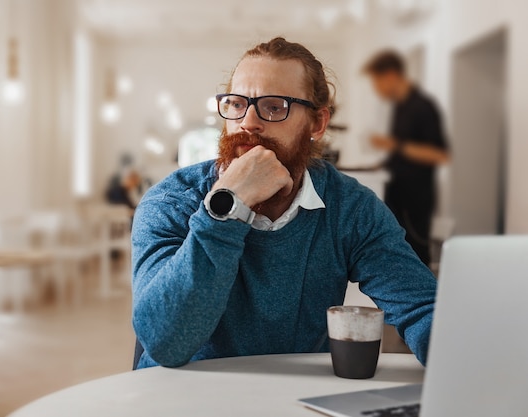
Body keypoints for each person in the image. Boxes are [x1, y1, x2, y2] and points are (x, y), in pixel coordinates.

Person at [131, 38, 437, 370]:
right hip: (180, 400)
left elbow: (421, 309)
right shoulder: (172, 201)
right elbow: (164, 343)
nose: (247, 122)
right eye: (236, 104)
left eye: (274, 107)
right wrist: (228, 206)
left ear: (317, 124)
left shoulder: (351, 208)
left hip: (293, 400)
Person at [363, 50, 450, 266]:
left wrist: (394, 145)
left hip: (416, 200)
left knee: (416, 255)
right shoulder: (400, 108)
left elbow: (440, 154)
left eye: (377, 82)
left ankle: (425, 299)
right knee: (397, 253)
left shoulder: (423, 106)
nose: (376, 89)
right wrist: (382, 164)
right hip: (398, 195)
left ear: (391, 75)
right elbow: (403, 152)